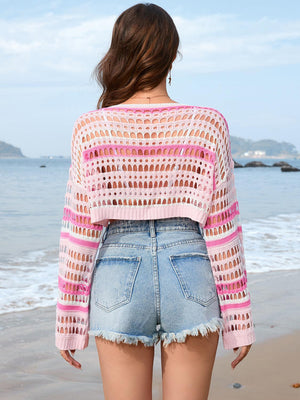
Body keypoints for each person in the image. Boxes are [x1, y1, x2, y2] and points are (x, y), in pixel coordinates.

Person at [55, 3, 256, 399]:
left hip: (116, 274)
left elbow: (78, 233)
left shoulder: (90, 127)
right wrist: (239, 316)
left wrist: (68, 319)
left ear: (118, 52)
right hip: (192, 268)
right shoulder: (208, 122)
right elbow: (223, 228)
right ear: (172, 54)